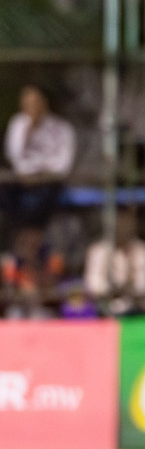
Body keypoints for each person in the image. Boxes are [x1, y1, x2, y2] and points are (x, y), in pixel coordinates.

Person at [2, 86, 75, 305]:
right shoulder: (19, 124)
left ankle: (31, 233)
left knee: (45, 192)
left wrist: (40, 172)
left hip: (49, 183)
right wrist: (29, 130)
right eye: (26, 102)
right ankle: (21, 235)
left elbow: (62, 164)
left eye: (34, 102)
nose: (29, 107)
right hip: (22, 182)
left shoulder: (61, 128)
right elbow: (15, 156)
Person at [84, 211, 145, 316]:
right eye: (120, 223)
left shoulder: (142, 250)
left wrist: (130, 281)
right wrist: (111, 292)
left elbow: (143, 287)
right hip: (104, 311)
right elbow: (93, 286)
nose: (123, 228)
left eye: (127, 224)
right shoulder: (98, 250)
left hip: (137, 311)